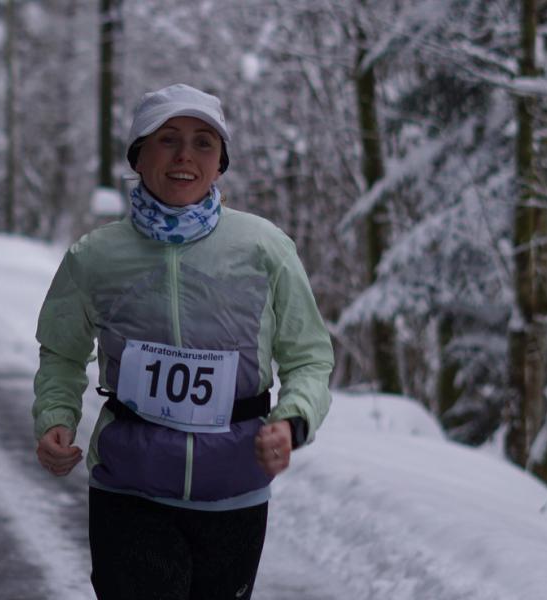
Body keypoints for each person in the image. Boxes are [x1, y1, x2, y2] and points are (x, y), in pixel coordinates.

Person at [32, 83, 333, 600]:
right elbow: (61, 352)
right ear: (138, 156)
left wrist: (293, 420)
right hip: (129, 487)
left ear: (220, 165)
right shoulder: (96, 256)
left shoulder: (263, 247)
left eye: (203, 143)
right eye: (168, 140)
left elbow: (309, 358)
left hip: (234, 494)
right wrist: (55, 418)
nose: (185, 156)